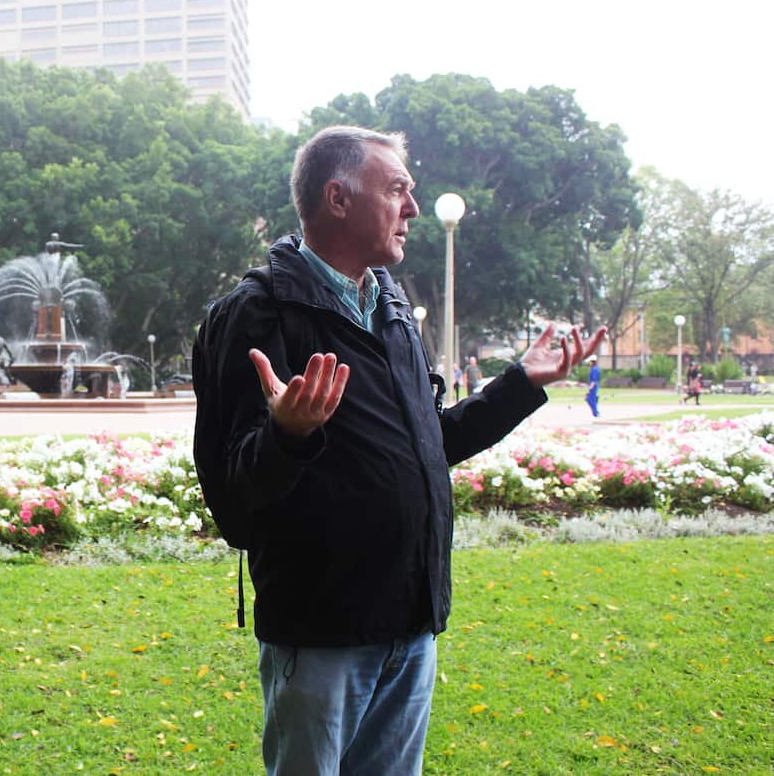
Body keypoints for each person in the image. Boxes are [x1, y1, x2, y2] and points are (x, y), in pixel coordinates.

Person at [191, 125, 605, 775]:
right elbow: (234, 500)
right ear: (338, 199)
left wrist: (520, 384)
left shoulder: (389, 304)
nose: (412, 207)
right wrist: (286, 437)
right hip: (321, 633)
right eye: (397, 190)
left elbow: (426, 444)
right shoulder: (257, 312)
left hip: (410, 622)